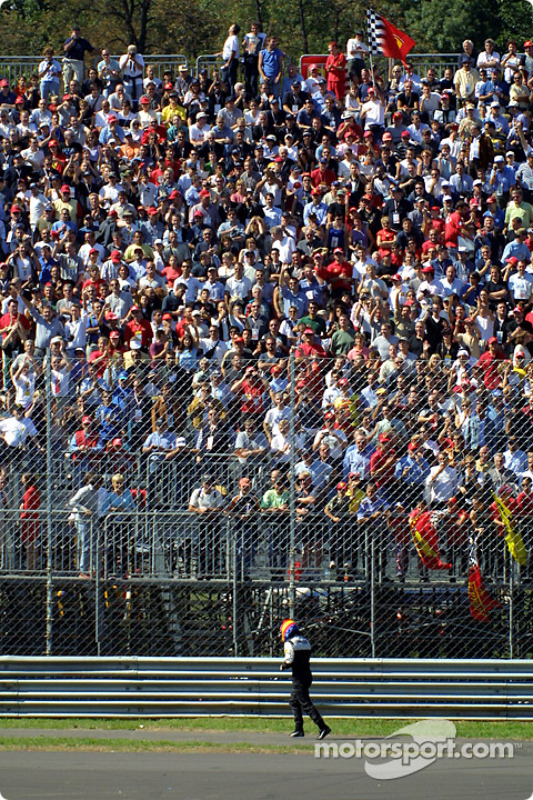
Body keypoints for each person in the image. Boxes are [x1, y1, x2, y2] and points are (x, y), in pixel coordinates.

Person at [279, 618, 331, 739]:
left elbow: (289, 660)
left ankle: (322, 726)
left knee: (305, 703)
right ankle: (299, 729)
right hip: (307, 674)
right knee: (294, 700)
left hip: (298, 677)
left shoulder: (290, 643)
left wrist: (283, 666)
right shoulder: (305, 641)